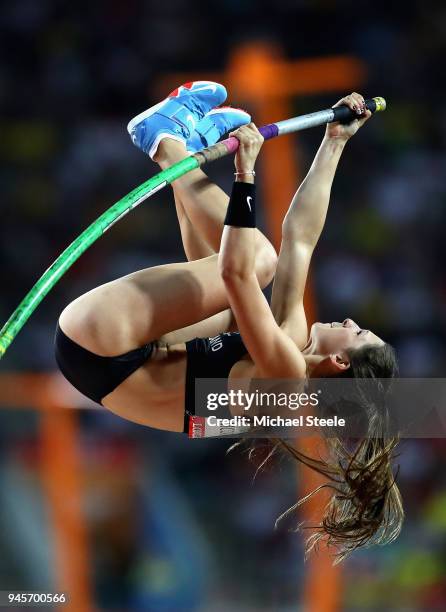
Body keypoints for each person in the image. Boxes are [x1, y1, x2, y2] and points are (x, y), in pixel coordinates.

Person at [55, 82, 403, 559]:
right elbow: (301, 238)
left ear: (340, 362)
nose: (349, 320)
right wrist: (335, 142)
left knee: (255, 261)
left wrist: (246, 172)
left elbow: (237, 271)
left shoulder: (284, 380)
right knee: (235, 304)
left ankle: (163, 139)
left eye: (357, 331)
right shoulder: (291, 349)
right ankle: (183, 148)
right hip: (130, 352)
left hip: (101, 349)